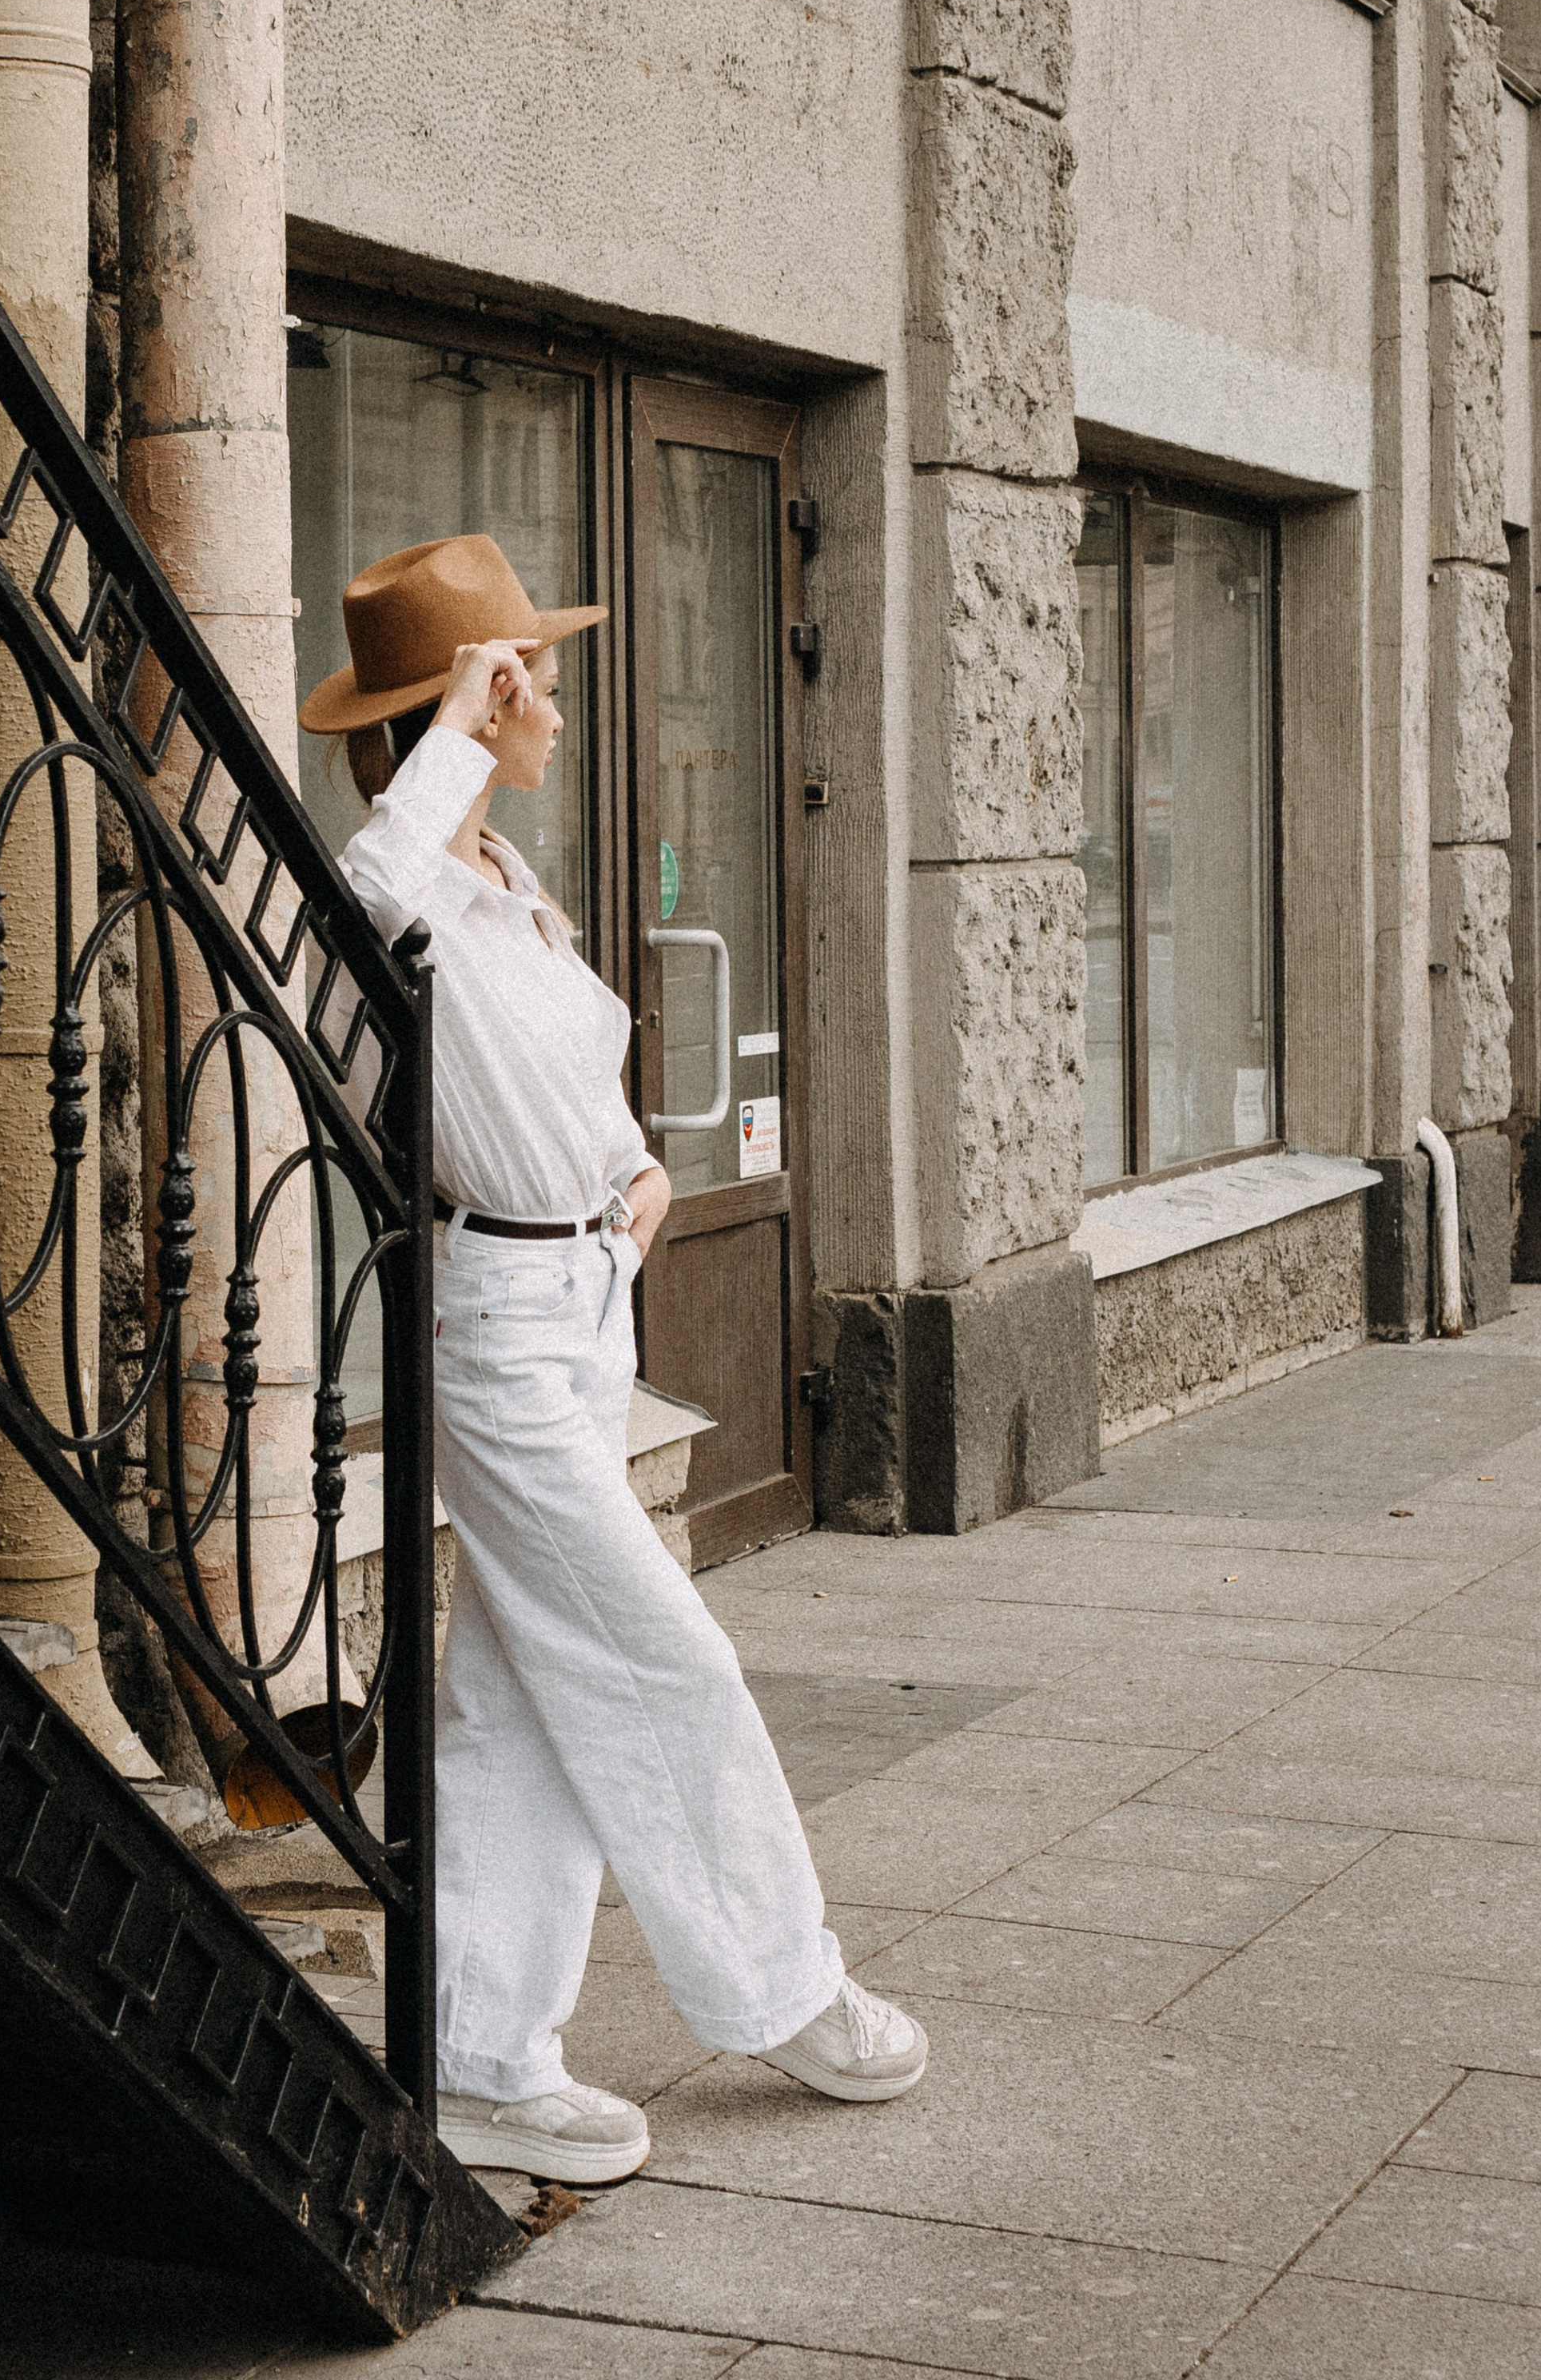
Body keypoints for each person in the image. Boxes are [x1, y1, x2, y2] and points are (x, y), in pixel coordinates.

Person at [300, 533, 927, 2185]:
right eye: (530, 679)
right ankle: (779, 1986)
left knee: (519, 1695)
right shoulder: (402, 885)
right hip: (498, 1332)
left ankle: (479, 2053)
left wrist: (632, 1182)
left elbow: (555, 1078)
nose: (554, 703)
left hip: (577, 1297)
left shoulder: (504, 885)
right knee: (664, 1659)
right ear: (466, 698)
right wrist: (452, 729)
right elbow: (361, 889)